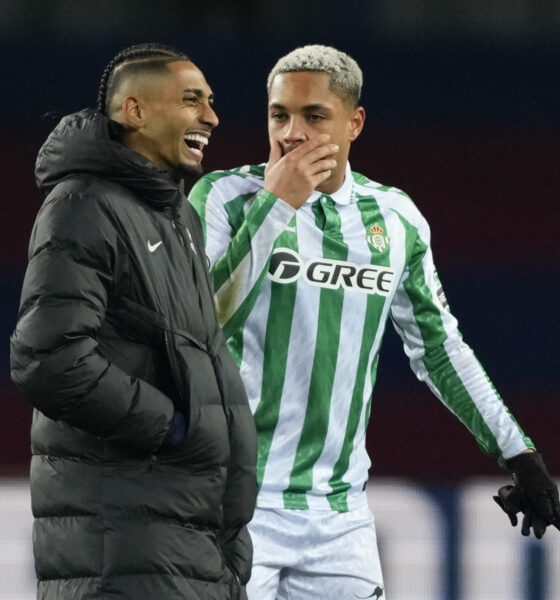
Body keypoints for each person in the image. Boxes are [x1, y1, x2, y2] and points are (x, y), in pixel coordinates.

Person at [188, 45, 560, 599]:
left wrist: (519, 453)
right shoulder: (223, 197)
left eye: (314, 116)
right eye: (279, 115)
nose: (291, 133)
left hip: (340, 517)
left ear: (354, 123)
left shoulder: (395, 218)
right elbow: (199, 321)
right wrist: (277, 206)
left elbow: (439, 349)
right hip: (235, 503)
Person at [10, 43, 257, 600]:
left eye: (211, 102)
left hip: (190, 547)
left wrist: (229, 539)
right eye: (192, 101)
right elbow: (48, 359)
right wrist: (171, 428)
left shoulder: (179, 218)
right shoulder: (83, 204)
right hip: (123, 549)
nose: (212, 117)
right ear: (134, 111)